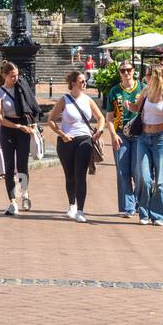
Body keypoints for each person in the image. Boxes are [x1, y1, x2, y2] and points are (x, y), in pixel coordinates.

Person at [46, 69, 107, 223]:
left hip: (84, 139)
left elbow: (100, 118)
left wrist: (99, 131)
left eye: (85, 81)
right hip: (67, 141)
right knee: (70, 175)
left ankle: (80, 210)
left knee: (80, 174)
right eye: (81, 81)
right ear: (73, 83)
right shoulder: (64, 100)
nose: (84, 83)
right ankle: (71, 204)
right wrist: (62, 134)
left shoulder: (88, 99)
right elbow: (51, 120)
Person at [133, 63, 163, 226]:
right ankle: (144, 213)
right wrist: (127, 104)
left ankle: (158, 215)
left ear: (155, 77)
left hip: (162, 139)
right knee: (144, 179)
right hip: (144, 138)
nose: (144, 78)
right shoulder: (145, 91)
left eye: (147, 75)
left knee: (160, 181)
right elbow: (136, 108)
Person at [0, 61, 37, 215]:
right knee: (9, 167)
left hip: (23, 127)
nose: (15, 78)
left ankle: (23, 193)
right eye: (12, 76)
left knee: (22, 165)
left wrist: (32, 124)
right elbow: (0, 119)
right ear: (4, 75)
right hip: (8, 128)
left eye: (17, 75)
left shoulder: (22, 88)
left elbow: (31, 106)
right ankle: (12, 202)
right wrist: (17, 126)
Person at [105, 59, 145, 218]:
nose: (126, 73)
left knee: (139, 172)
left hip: (140, 135)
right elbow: (109, 117)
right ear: (119, 73)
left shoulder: (142, 88)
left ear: (134, 70)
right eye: (123, 70)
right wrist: (113, 135)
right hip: (121, 135)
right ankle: (129, 207)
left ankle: (139, 202)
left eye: (129, 69)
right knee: (123, 172)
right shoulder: (114, 91)